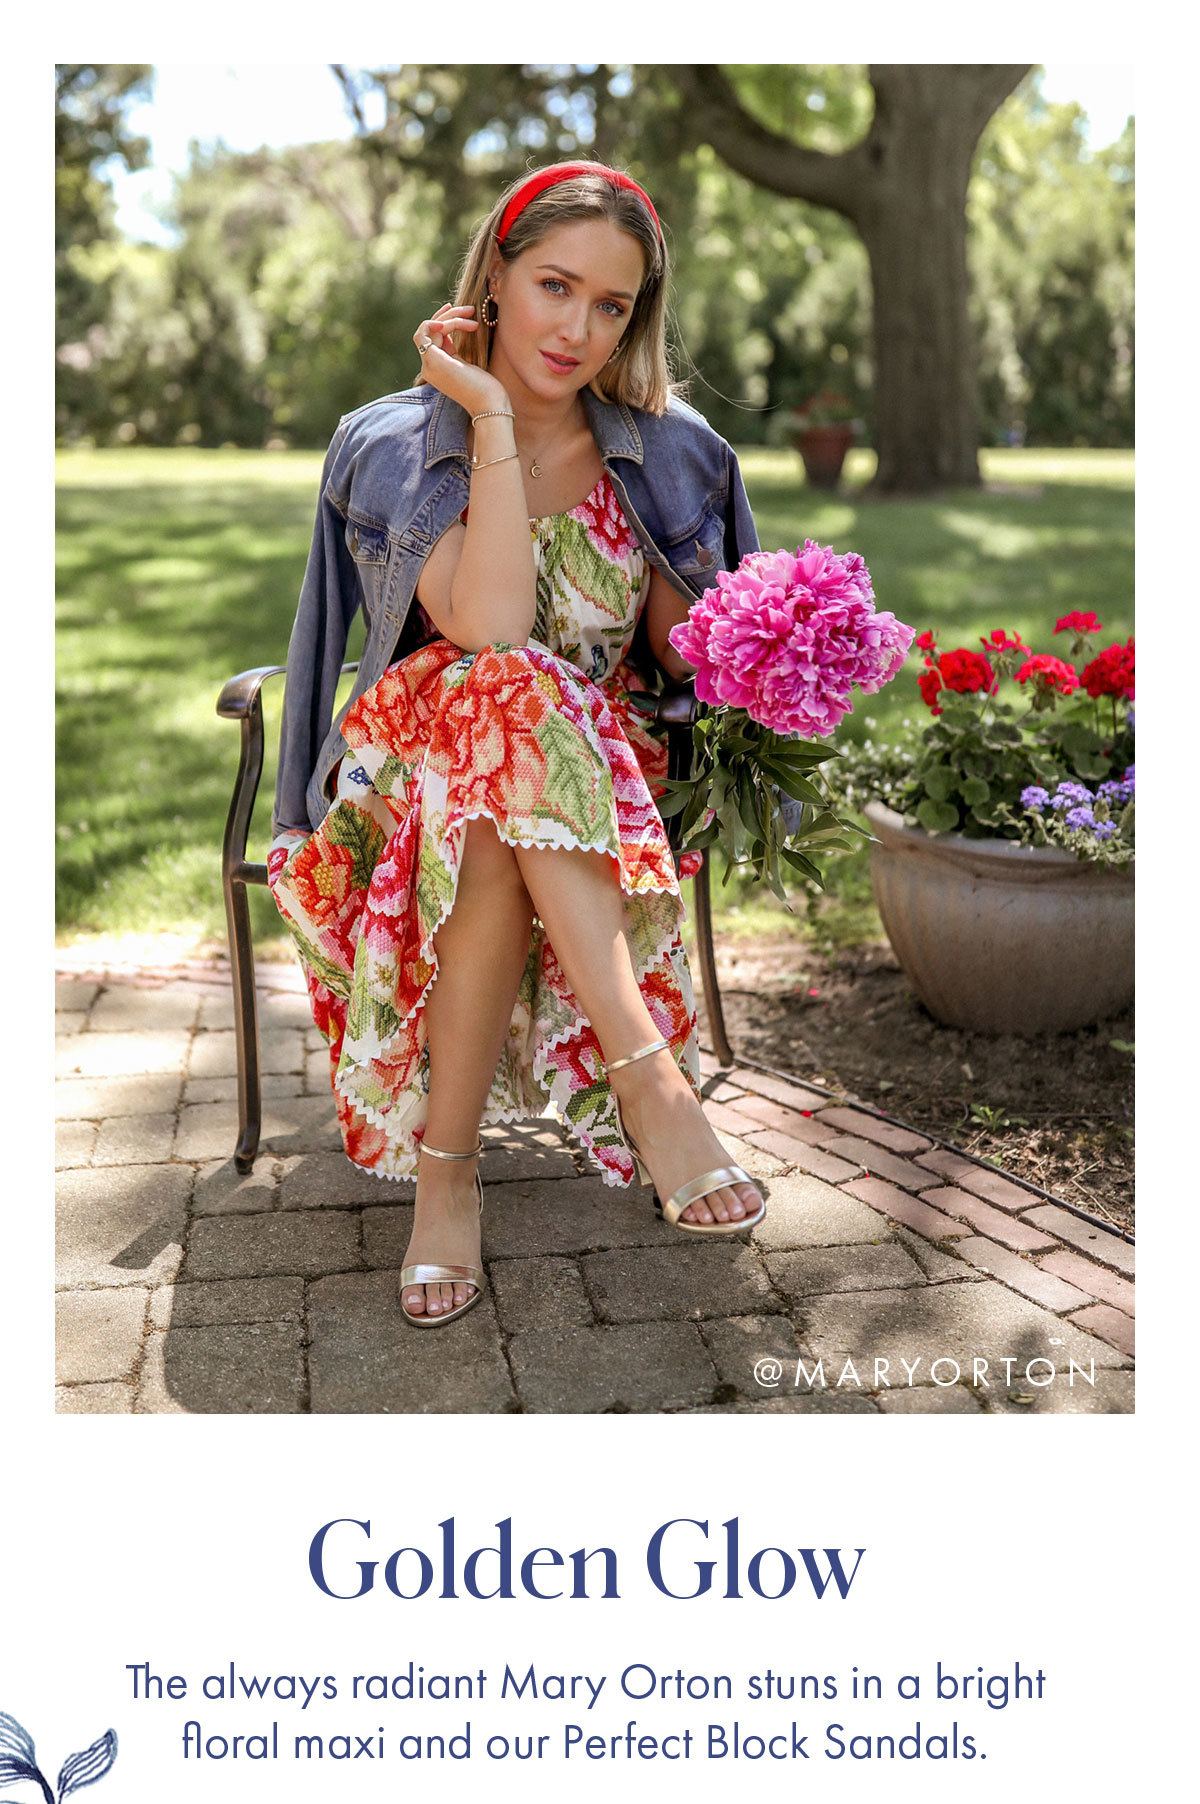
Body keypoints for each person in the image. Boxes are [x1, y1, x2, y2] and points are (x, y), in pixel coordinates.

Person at [268, 160, 766, 1330]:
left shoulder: (672, 449)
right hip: (416, 770)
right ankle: (650, 1080)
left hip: (596, 787)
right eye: (554, 285)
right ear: (496, 270)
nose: (579, 329)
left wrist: (770, 633)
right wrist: (488, 413)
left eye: (612, 306)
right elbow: (487, 630)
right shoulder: (393, 442)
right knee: (501, 692)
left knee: (506, 795)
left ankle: (448, 1175)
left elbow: (679, 659)